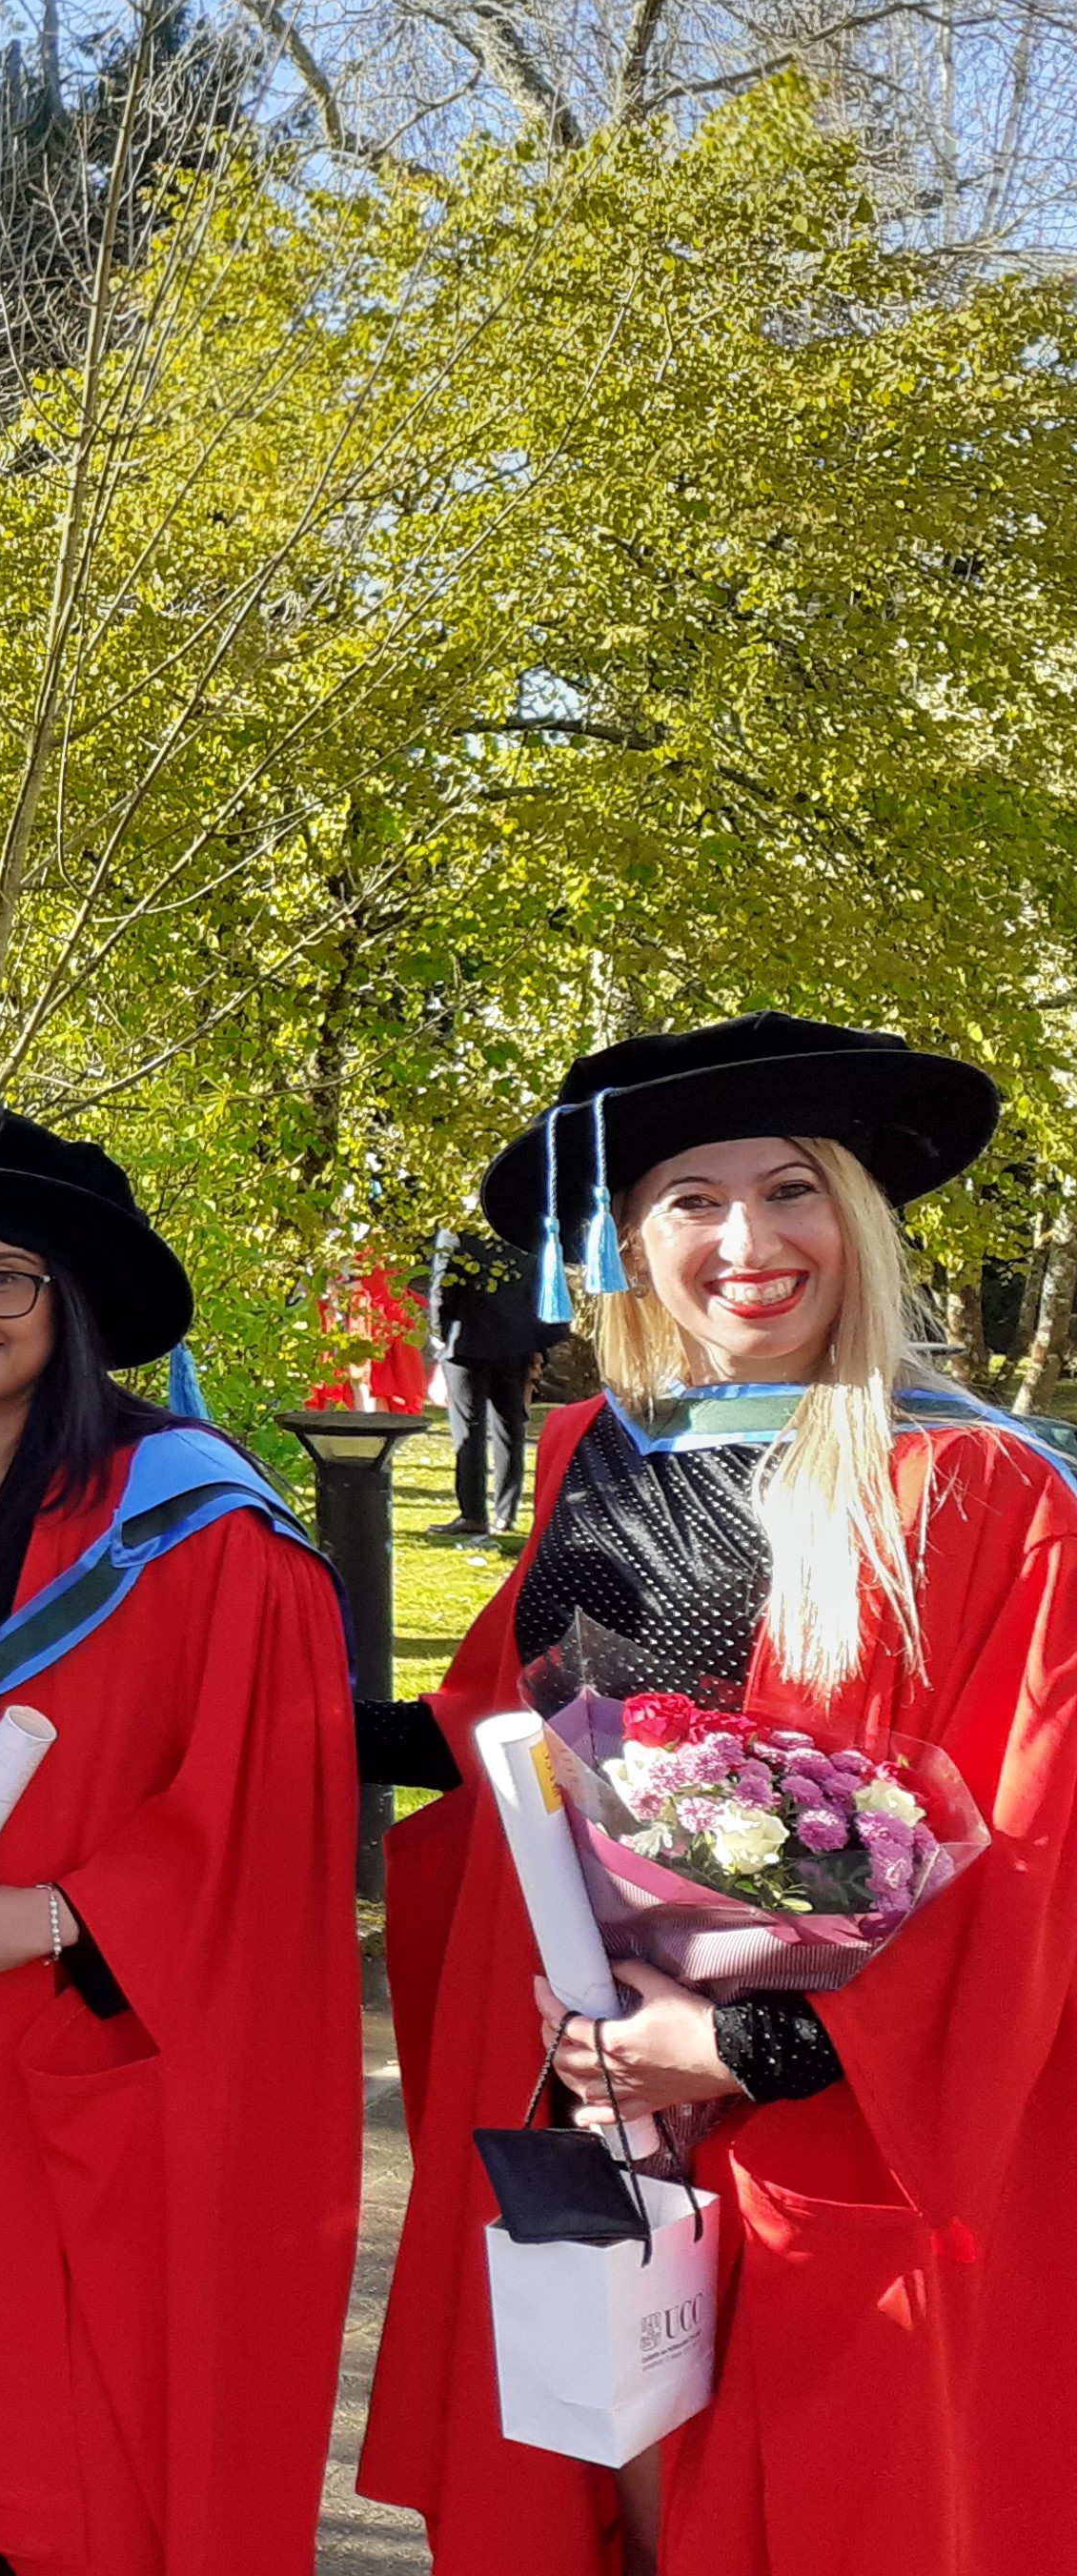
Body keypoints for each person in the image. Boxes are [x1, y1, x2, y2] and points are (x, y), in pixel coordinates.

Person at [355, 1015, 1077, 2576]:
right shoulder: (598, 1455)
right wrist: (249, 1723)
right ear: (627, 1240)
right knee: (605, 2494)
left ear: (858, 1222)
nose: (745, 1242)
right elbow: (516, 1719)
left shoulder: (973, 1486)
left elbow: (1033, 1843)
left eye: (789, 1189)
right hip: (597, 2084)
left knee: (827, 2507)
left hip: (832, 2123)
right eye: (689, 1198)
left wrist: (746, 2043)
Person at [0, 1100, 356, 2576]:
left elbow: (266, 1817)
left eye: (5, 1277)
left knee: (89, 2457)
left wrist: (53, 1918)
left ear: (68, 1301)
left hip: (93, 2050)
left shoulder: (204, 1529)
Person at [425, 1221, 560, 1541]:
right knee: (510, 1428)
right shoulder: (527, 1231)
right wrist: (539, 1344)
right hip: (515, 1343)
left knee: (468, 1431)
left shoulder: (459, 1232)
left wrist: (438, 1335)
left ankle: (473, 1514)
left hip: (467, 1341)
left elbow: (442, 1285)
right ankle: (506, 1512)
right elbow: (542, 1289)